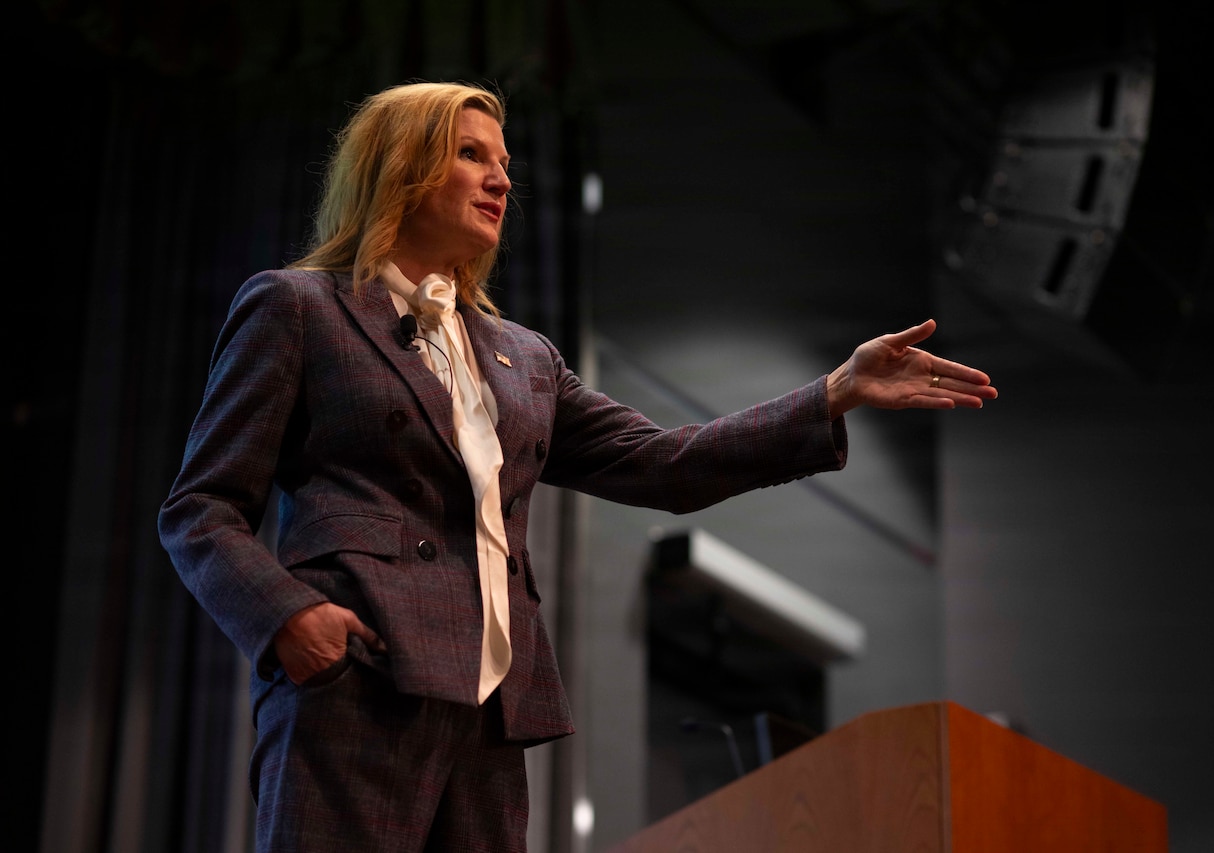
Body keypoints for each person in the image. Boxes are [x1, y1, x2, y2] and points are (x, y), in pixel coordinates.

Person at [158, 80, 997, 852]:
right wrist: (288, 618)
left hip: (492, 717)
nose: (500, 180)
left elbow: (665, 463)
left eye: (506, 164)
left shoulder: (521, 356)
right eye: (471, 154)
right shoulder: (300, 308)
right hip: (360, 690)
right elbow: (200, 508)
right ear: (401, 166)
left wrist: (833, 393)